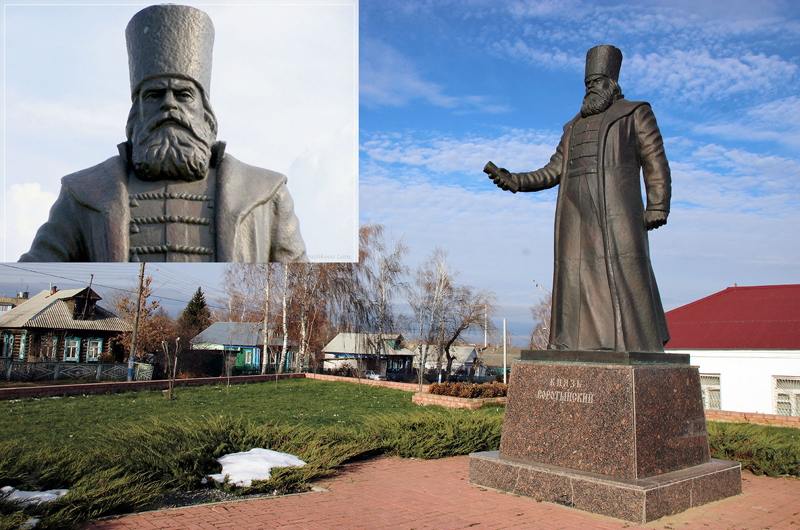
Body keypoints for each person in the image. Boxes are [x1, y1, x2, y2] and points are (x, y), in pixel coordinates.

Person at [20, 4, 307, 263]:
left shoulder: (267, 193)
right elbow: (38, 271)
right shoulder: (82, 193)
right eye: (154, 95)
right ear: (135, 114)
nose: (168, 104)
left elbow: (298, 286)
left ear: (206, 113)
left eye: (183, 95)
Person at [486, 45, 671, 353]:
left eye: (597, 82)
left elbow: (655, 160)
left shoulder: (635, 113)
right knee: (574, 277)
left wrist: (658, 204)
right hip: (575, 214)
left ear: (611, 84)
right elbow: (553, 170)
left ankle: (634, 345)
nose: (590, 89)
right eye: (587, 84)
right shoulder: (573, 127)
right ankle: (569, 341)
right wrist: (515, 180)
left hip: (617, 210)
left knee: (625, 275)